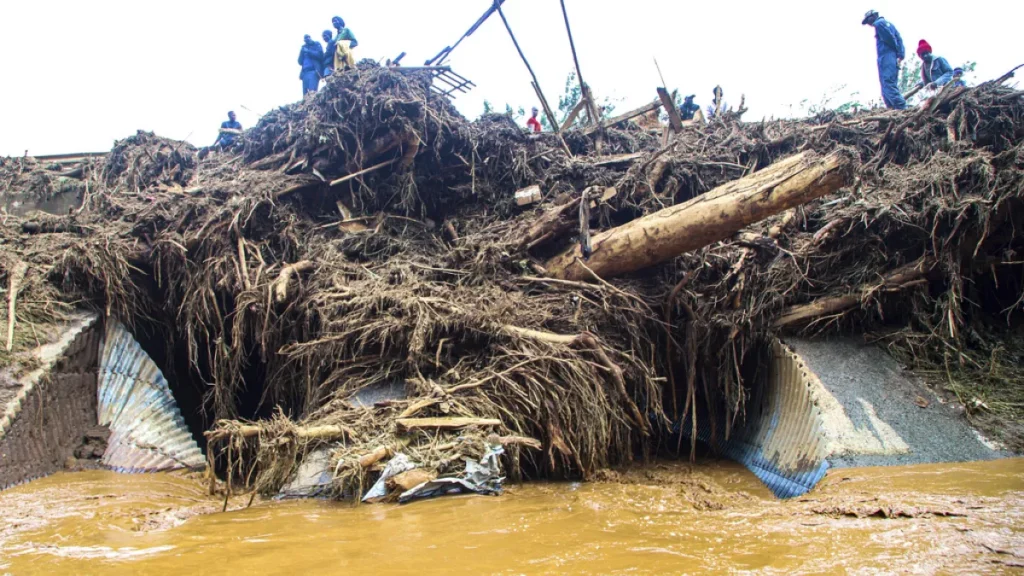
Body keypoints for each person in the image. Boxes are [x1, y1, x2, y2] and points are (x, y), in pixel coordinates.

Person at [862, 10, 907, 110]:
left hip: (887, 56)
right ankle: (892, 109)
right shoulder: (887, 24)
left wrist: (896, 52)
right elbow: (899, 38)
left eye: (868, 20)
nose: (868, 23)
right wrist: (900, 54)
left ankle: (901, 108)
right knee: (886, 85)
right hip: (889, 57)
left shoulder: (879, 23)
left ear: (874, 15)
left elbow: (890, 39)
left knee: (887, 83)